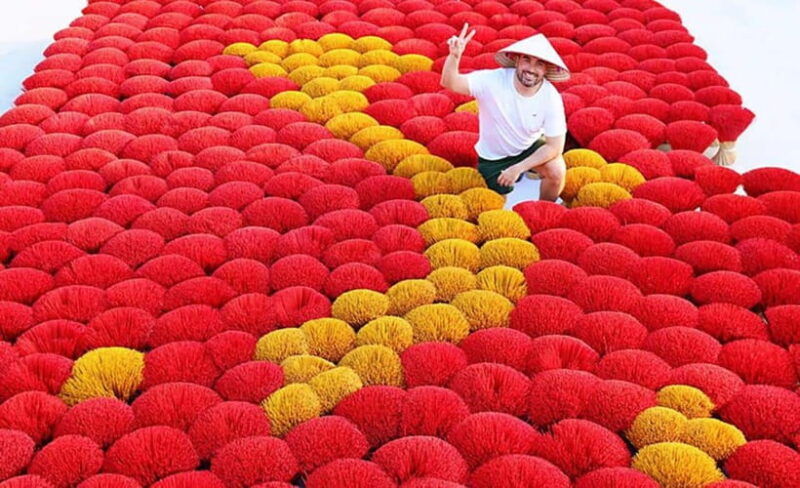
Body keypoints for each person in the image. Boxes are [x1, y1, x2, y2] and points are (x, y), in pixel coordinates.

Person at [440, 25, 571, 202]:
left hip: (528, 147)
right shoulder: (492, 80)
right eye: (527, 60)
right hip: (494, 156)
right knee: (495, 202)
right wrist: (454, 56)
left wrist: (518, 167)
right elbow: (450, 83)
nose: (531, 69)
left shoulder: (551, 97)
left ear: (546, 70)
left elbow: (555, 148)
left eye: (539, 64)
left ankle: (544, 209)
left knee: (557, 172)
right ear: (517, 60)